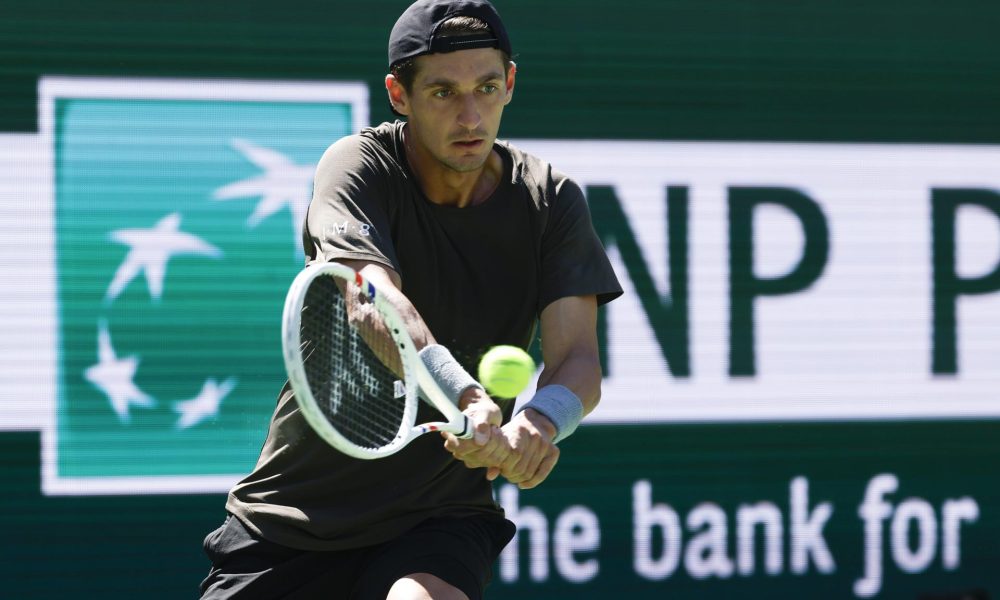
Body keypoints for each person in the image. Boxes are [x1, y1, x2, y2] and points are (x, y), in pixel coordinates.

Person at [199, 0, 622, 598]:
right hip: (294, 516)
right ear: (400, 95)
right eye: (444, 93)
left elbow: (577, 359)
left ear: (510, 84)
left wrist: (539, 423)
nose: (470, 116)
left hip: (439, 517)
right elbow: (372, 300)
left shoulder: (550, 199)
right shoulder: (358, 166)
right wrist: (465, 395)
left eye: (487, 88)